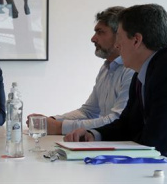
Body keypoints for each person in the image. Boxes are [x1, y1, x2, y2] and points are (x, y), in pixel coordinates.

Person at [64, 4, 167, 177]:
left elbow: (158, 143)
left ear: (136, 40)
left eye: (120, 37)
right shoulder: (147, 71)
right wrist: (94, 134)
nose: (117, 45)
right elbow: (128, 124)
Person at [28, 7, 134, 135]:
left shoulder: (131, 71)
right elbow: (88, 112)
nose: (93, 39)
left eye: (100, 32)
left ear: (119, 36)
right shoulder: (106, 68)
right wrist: (52, 120)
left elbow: (116, 120)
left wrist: (59, 127)